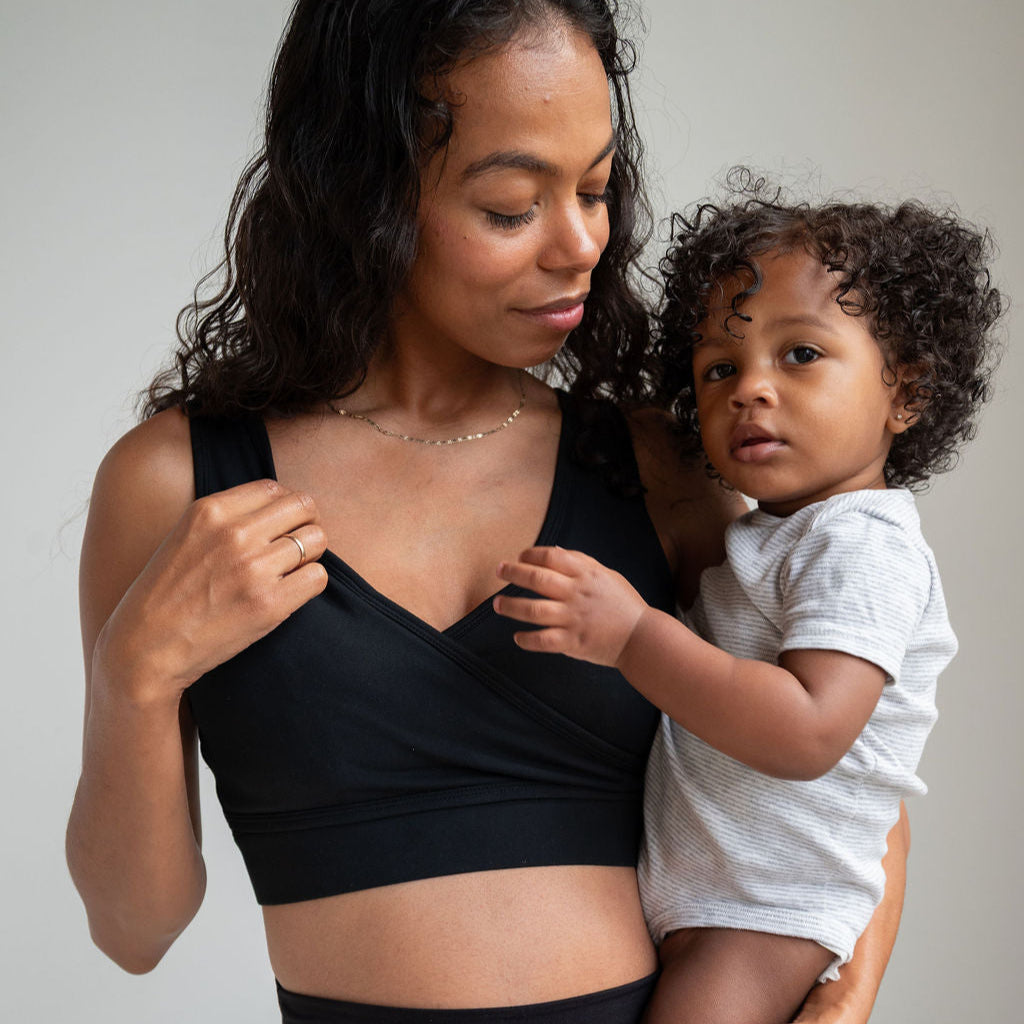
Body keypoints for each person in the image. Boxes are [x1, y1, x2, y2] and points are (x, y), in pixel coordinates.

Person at [65, 4, 906, 1021]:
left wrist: (851, 986)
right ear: (363, 192)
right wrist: (132, 677)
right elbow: (134, 932)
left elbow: (845, 741)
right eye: (511, 207)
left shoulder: (650, 466)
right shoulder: (179, 482)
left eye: (595, 189)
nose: (580, 244)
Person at [493, 179, 1002, 1024]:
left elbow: (808, 730)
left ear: (905, 393)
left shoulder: (864, 545)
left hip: (770, 913)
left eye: (800, 354)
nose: (750, 389)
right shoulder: (773, 538)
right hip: (721, 901)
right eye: (720, 368)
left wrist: (632, 636)